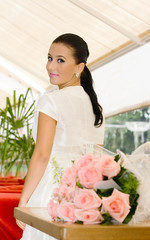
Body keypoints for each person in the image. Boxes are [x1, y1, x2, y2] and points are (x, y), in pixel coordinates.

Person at [16, 33, 105, 239]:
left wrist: (24, 201)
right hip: (85, 196)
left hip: (52, 192)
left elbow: (42, 155)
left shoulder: (51, 101)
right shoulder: (96, 108)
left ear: (79, 67)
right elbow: (96, 157)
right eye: (49, 58)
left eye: (60, 60)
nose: (50, 66)